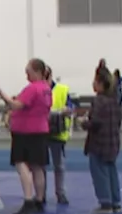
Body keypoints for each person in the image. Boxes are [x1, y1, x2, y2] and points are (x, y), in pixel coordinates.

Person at [0, 59, 52, 214]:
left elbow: (15, 105)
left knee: (21, 164)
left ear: (37, 72)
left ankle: (28, 200)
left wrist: (0, 93)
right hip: (40, 130)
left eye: (28, 72)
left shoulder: (33, 89)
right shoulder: (46, 88)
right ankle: (39, 200)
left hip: (26, 132)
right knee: (38, 166)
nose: (26, 75)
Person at [84, 66, 122, 214]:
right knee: (112, 171)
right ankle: (115, 201)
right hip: (113, 141)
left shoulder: (98, 101)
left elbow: (95, 122)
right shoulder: (115, 100)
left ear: (100, 83)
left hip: (99, 143)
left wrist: (84, 123)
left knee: (99, 172)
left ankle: (105, 202)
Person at [46, 67, 72, 205]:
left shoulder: (62, 90)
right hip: (41, 132)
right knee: (40, 166)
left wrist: (66, 110)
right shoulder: (35, 89)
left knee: (59, 165)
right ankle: (41, 194)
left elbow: (70, 106)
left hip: (57, 132)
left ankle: (60, 193)